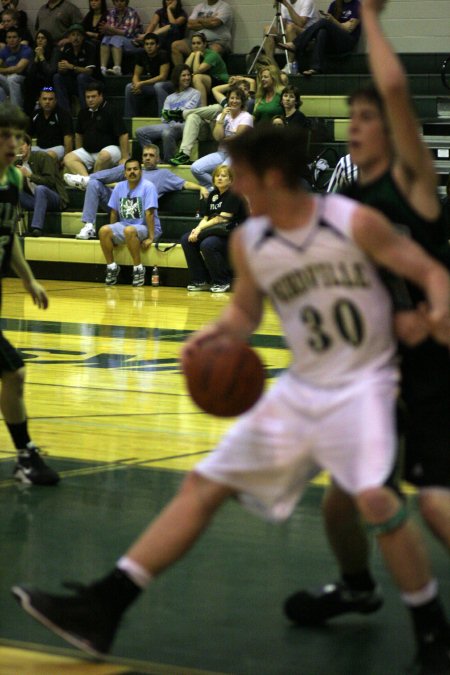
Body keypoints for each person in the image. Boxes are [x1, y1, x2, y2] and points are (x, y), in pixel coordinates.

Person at [11, 126, 450, 670]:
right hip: (306, 386)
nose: (232, 182)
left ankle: (433, 632)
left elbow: (431, 275)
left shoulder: (351, 221)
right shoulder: (251, 239)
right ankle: (104, 606)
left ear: (270, 175)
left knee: (372, 500)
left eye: (241, 173)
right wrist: (213, 336)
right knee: (209, 483)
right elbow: (246, 311)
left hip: (368, 384)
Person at [282, 2, 450, 672]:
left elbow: (396, 92)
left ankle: (430, 627)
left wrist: (373, 21)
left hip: (429, 363)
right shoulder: (348, 210)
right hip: (378, 367)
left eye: (367, 120)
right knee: (342, 502)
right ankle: (358, 587)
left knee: (432, 503)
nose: (353, 130)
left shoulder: (415, 190)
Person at [0, 102, 59, 485]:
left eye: (19, 136)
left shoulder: (14, 180)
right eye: (5, 134)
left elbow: (10, 239)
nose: (13, 143)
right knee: (14, 372)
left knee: (13, 376)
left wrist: (28, 278)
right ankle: (25, 454)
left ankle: (25, 454)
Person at [69, 143, 208, 240]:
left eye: (151, 155)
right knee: (95, 183)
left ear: (158, 158)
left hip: (137, 210)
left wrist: (201, 187)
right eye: (145, 155)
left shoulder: (163, 175)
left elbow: (185, 183)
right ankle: (88, 224)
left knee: (125, 168)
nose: (147, 157)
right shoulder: (133, 170)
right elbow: (118, 184)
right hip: (119, 204)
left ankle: (85, 180)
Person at [181, 164, 246, 293]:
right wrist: (196, 230)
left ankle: (222, 281)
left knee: (208, 244)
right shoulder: (213, 195)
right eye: (217, 176)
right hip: (217, 231)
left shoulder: (234, 194)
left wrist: (200, 230)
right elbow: (206, 218)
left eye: (223, 176)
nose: (219, 178)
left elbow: (221, 219)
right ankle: (200, 280)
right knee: (186, 239)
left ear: (231, 180)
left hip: (234, 233)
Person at [98, 158, 159, 286]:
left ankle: (138, 269)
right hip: (125, 226)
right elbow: (114, 212)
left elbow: (150, 213)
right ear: (125, 173)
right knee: (104, 230)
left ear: (140, 171)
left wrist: (151, 237)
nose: (132, 172)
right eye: (129, 169)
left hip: (144, 226)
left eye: (135, 169)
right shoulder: (119, 187)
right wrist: (112, 234)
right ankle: (112, 267)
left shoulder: (148, 186)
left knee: (129, 230)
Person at [169, 77, 252, 167]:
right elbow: (215, 89)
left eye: (245, 89)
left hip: (233, 145)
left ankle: (181, 114)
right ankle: (184, 154)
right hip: (214, 129)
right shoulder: (229, 102)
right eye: (239, 88)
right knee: (193, 117)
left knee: (218, 108)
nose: (242, 91)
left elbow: (252, 82)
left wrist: (241, 78)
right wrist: (231, 85)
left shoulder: (252, 102)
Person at [134, 65, 200, 162]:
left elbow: (186, 113)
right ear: (177, 78)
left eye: (188, 75)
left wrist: (173, 114)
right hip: (169, 125)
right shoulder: (170, 98)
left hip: (185, 125)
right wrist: (176, 114)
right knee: (140, 132)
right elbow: (164, 117)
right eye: (183, 75)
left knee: (167, 133)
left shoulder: (195, 93)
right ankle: (156, 161)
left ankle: (169, 162)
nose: (187, 78)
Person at [190, 86, 253, 188]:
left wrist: (223, 139)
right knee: (195, 168)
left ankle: (219, 190)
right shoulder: (222, 116)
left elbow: (237, 139)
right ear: (228, 100)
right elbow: (216, 137)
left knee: (222, 172)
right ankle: (215, 188)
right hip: (222, 153)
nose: (234, 101)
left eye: (237, 98)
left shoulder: (247, 117)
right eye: (232, 98)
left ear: (242, 101)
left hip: (238, 155)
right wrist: (222, 118)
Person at [63, 81, 129, 176]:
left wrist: (125, 157)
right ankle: (87, 180)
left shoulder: (111, 110)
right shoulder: (83, 112)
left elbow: (123, 134)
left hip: (111, 150)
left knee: (103, 156)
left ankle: (93, 180)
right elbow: (78, 134)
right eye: (87, 97)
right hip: (89, 151)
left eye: (93, 96)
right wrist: (79, 151)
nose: (90, 100)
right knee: (68, 158)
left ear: (101, 96)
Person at [280, 0, 361, 76]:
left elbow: (349, 29)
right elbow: (331, 26)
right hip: (334, 43)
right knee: (322, 31)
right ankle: (315, 68)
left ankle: (296, 44)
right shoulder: (335, 4)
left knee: (324, 22)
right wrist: (337, 23)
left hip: (347, 42)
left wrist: (333, 21)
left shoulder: (357, 5)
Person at [17, 133, 69, 237]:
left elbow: (50, 182)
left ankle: (37, 228)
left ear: (29, 146)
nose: (19, 148)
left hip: (54, 198)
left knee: (40, 189)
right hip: (34, 201)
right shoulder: (17, 163)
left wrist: (30, 175)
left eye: (22, 144)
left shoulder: (42, 157)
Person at [53, 23, 99, 113]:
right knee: (57, 77)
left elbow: (89, 71)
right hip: (74, 81)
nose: (75, 38)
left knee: (81, 77)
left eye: (78, 35)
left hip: (93, 81)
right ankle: (65, 113)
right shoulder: (67, 48)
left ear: (83, 37)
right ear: (69, 37)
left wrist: (71, 67)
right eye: (73, 35)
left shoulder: (90, 47)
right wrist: (61, 69)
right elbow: (61, 69)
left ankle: (84, 112)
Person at [171, 0, 232, 66]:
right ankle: (181, 72)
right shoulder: (199, 7)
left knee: (213, 51)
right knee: (175, 45)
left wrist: (199, 20)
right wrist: (208, 21)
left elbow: (214, 23)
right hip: (198, 40)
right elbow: (190, 25)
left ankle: (207, 75)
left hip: (217, 41)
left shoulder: (224, 7)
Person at [123, 32, 170, 118]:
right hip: (152, 85)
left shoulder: (163, 54)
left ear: (157, 45)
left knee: (158, 86)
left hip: (167, 85)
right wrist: (136, 85)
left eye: (152, 44)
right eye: (147, 44)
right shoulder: (142, 55)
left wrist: (142, 83)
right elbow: (136, 74)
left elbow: (163, 77)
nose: (149, 46)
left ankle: (162, 118)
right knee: (129, 87)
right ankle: (130, 120)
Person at [29, 86, 74, 162]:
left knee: (48, 156)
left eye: (50, 99)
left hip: (57, 148)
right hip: (39, 148)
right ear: (39, 100)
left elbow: (68, 139)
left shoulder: (63, 115)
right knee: (21, 152)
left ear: (56, 100)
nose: (47, 101)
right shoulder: (35, 115)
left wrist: (66, 159)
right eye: (44, 99)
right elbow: (27, 135)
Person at [184, 31, 228, 107]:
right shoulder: (193, 53)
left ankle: (203, 107)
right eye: (193, 43)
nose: (196, 46)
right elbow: (184, 70)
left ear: (204, 44)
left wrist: (197, 54)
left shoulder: (212, 55)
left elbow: (196, 71)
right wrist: (192, 55)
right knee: (184, 78)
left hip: (221, 81)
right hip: (208, 80)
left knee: (197, 77)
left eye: (198, 43)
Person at [99, 0, 142, 77]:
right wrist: (108, 30)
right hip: (118, 41)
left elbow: (128, 33)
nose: (119, 3)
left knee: (116, 38)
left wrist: (110, 29)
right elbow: (109, 32)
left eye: (122, 1)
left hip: (133, 43)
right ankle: (103, 69)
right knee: (106, 38)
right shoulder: (111, 13)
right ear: (114, 2)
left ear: (126, 2)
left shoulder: (132, 13)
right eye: (117, 1)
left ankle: (117, 69)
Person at [22, 30, 58, 116]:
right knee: (28, 80)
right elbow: (29, 72)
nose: (40, 40)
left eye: (43, 38)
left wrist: (41, 57)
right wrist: (36, 58)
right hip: (36, 82)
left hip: (49, 83)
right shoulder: (33, 51)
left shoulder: (55, 51)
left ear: (48, 40)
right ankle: (27, 114)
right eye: (38, 38)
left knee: (49, 79)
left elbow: (50, 72)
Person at [0, 26, 32, 108]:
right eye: (9, 37)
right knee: (1, 89)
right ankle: (4, 113)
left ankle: (17, 112)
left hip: (23, 80)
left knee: (12, 78)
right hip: (8, 79)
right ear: (6, 40)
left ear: (19, 39)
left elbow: (19, 69)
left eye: (14, 37)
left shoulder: (26, 50)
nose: (11, 40)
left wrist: (2, 70)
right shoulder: (5, 50)